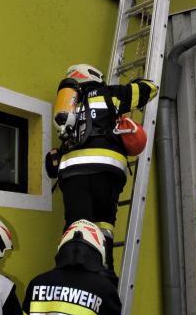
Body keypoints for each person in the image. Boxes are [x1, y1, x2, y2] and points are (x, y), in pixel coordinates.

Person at [46, 63, 158, 273]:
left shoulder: (67, 106)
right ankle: (104, 274)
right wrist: (137, 83)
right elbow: (149, 89)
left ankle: (68, 275)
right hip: (106, 170)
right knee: (104, 226)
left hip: (72, 173)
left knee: (75, 227)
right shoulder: (109, 94)